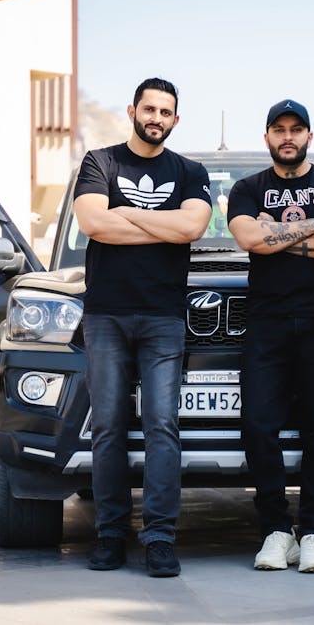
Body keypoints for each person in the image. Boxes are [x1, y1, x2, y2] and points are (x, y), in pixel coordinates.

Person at [73, 77, 212, 577]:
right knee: (108, 427)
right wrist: (162, 225)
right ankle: (111, 535)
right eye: (149, 109)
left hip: (163, 317)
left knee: (162, 426)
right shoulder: (100, 162)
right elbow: (94, 224)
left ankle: (159, 538)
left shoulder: (190, 171)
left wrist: (125, 212)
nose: (156, 118)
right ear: (132, 111)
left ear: (176, 119)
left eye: (165, 112)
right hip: (106, 315)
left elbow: (192, 228)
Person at [227, 99, 314, 573]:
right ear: (267, 137)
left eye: (296, 129)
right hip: (266, 321)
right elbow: (248, 239)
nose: (288, 136)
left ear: (308, 135)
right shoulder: (247, 189)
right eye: (279, 129)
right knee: (257, 425)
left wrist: (277, 236)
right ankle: (275, 530)